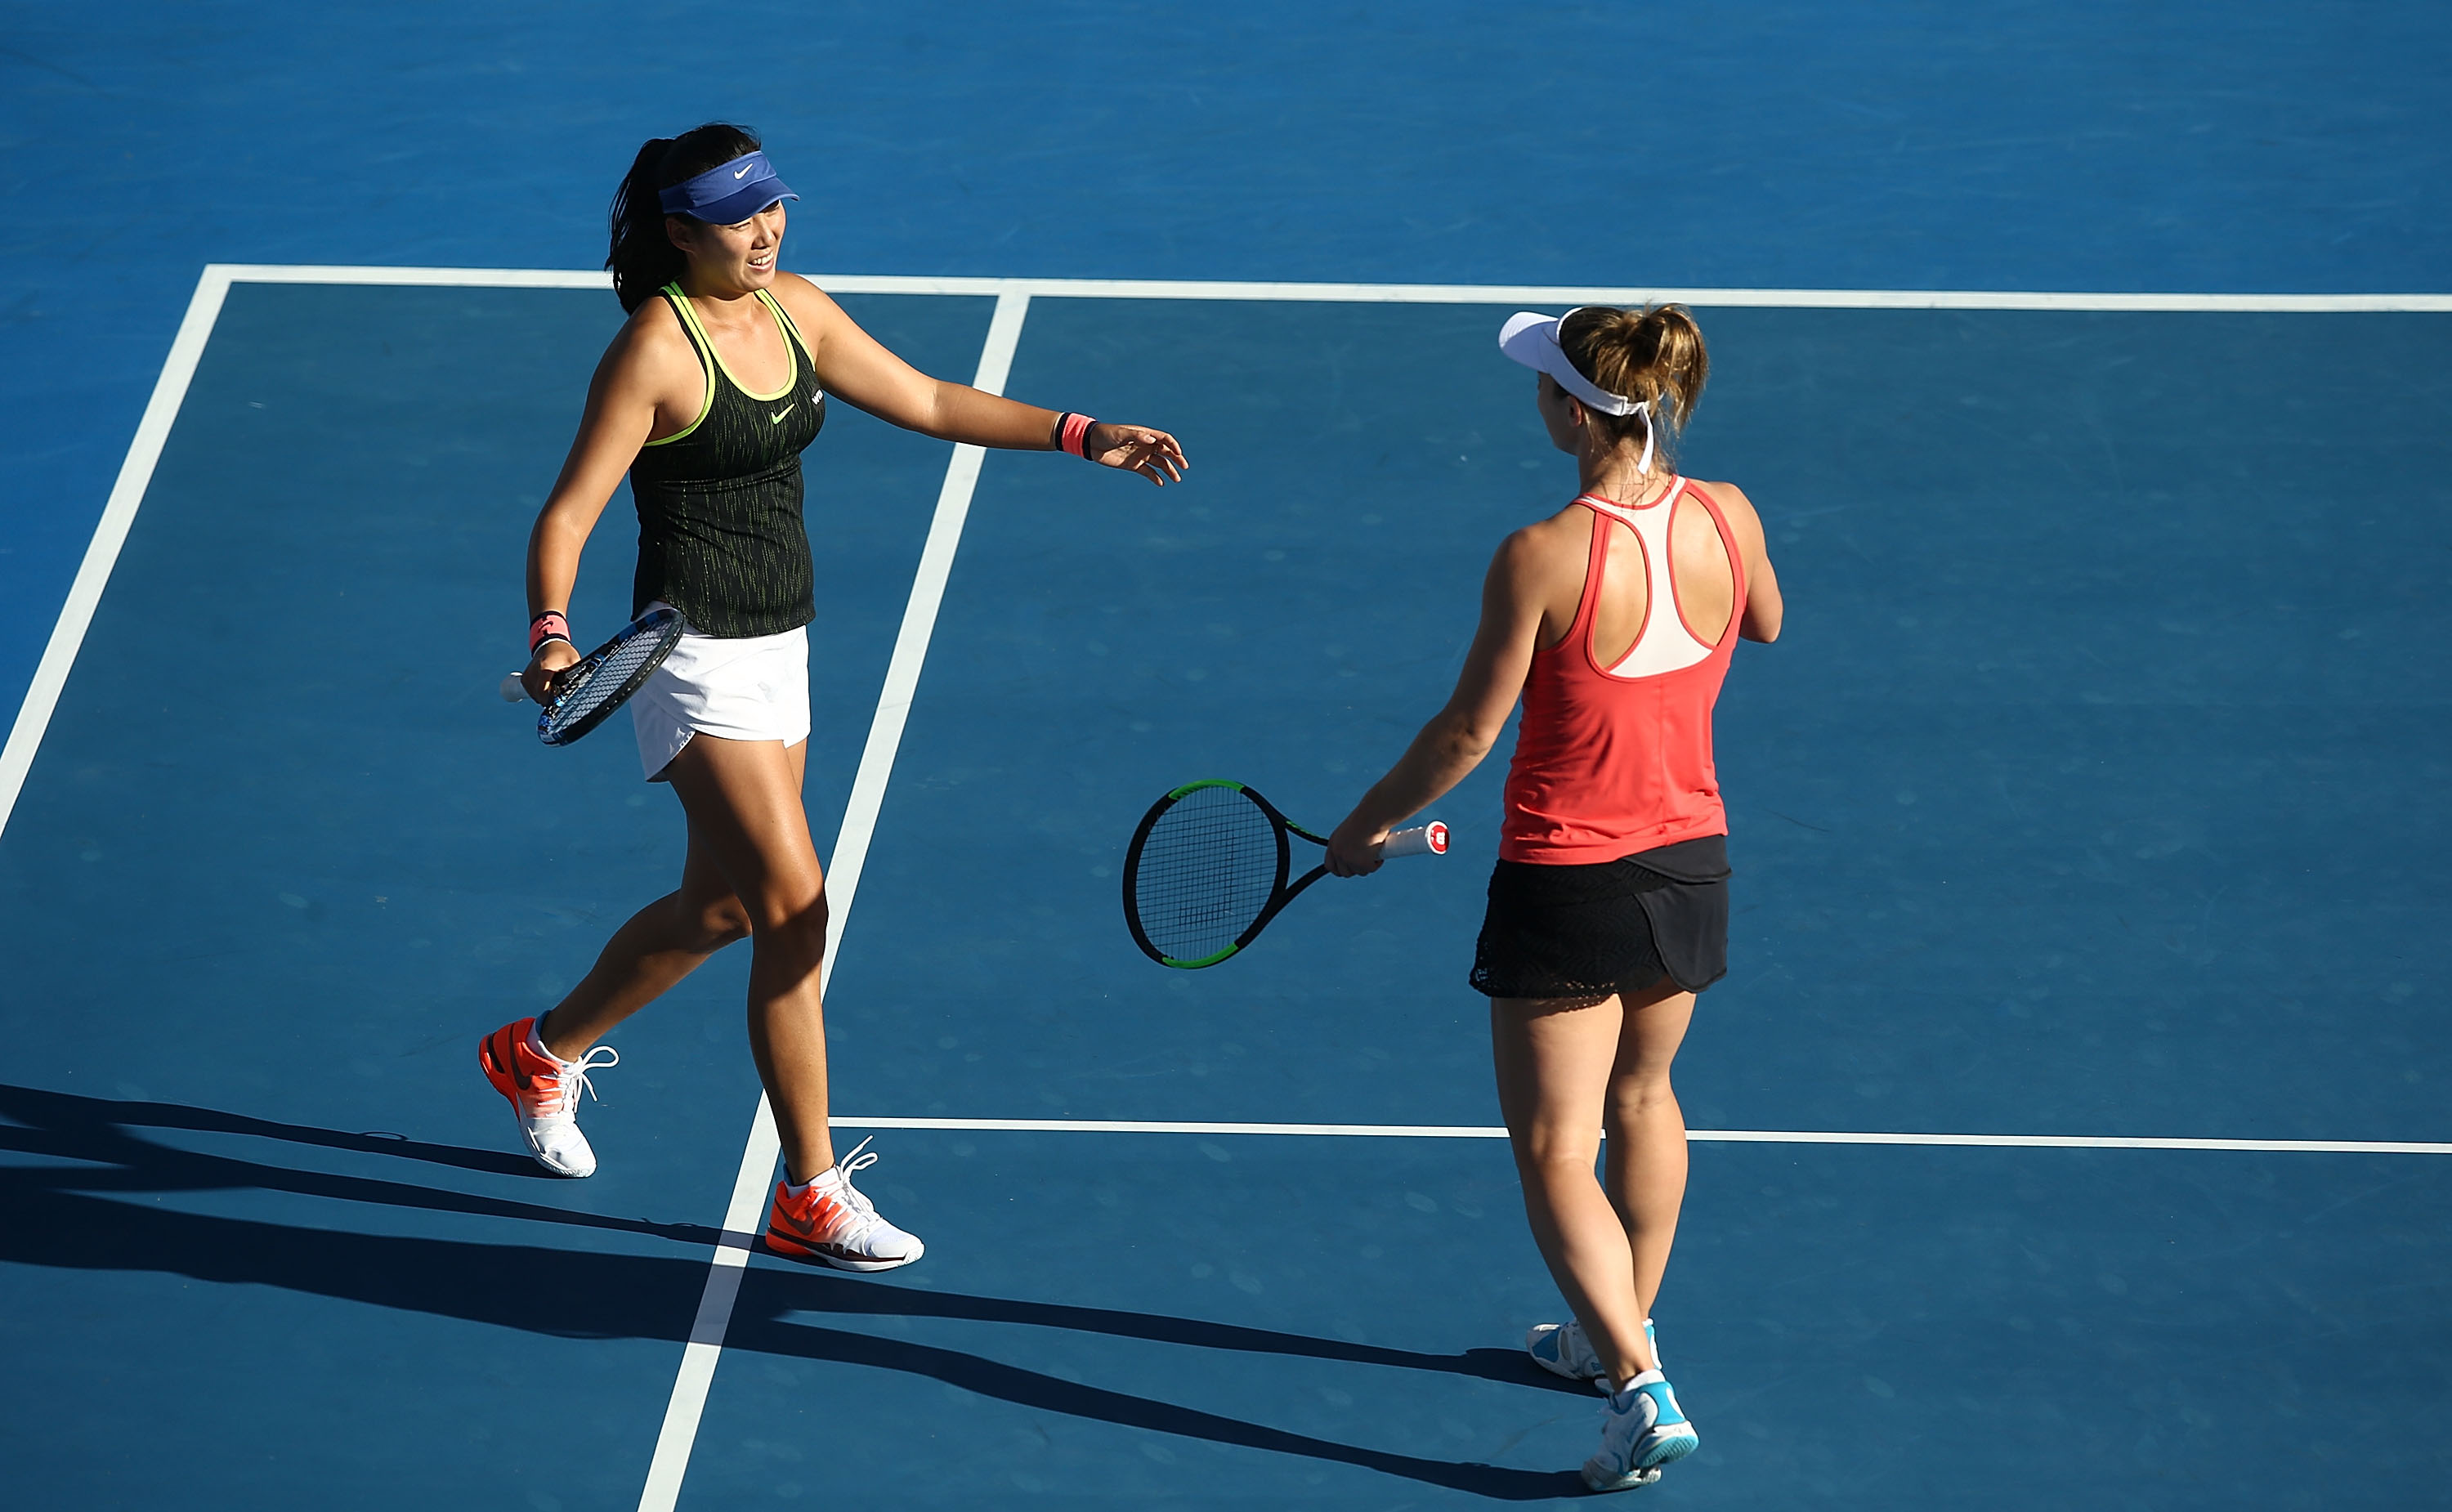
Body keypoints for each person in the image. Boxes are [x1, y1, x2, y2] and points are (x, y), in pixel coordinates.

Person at [479, 123, 1186, 1273]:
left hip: (781, 643)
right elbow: (566, 515)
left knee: (722, 909)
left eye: (774, 209)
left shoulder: (797, 308)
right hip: (689, 655)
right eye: (739, 218)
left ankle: (537, 1051)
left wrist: (1080, 434)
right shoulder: (655, 351)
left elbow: (923, 397)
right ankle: (807, 1191)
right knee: (797, 911)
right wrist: (553, 634)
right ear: (680, 233)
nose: (767, 232)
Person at [1325, 305, 1780, 1489]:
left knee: (1550, 1147)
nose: (1534, 398)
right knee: (1647, 1092)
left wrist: (1365, 821)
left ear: (1578, 413)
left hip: (1566, 880)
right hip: (1692, 868)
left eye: (1542, 384)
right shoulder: (1729, 514)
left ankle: (1639, 1385)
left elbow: (1471, 728)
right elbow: (1764, 620)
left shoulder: (1541, 554)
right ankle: (1609, 1333)